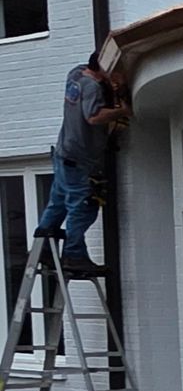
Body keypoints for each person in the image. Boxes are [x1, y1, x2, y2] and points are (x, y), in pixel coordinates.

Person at [35, 48, 126, 280]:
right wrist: (121, 110)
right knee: (82, 205)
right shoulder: (92, 87)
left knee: (58, 202)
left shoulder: (75, 75)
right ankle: (74, 255)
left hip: (64, 152)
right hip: (78, 158)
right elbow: (93, 116)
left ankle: (43, 248)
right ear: (103, 68)